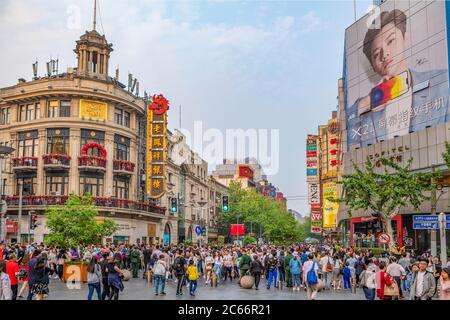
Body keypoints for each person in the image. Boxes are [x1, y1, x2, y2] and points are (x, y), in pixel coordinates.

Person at [347, 8, 449, 146]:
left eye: (390, 41)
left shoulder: (441, 82)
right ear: (373, 66)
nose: (385, 55)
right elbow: (347, 138)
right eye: (377, 54)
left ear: (405, 38)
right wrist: (367, 102)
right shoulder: (366, 108)